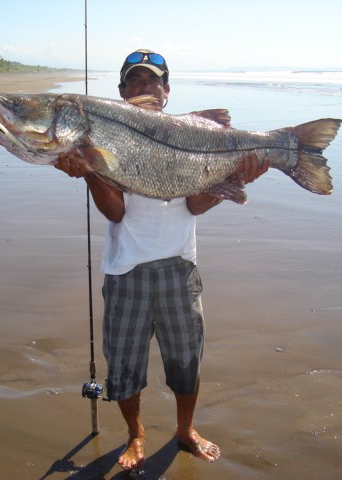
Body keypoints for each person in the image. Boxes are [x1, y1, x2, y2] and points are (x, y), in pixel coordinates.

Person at [55, 49, 268, 471]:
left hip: (179, 266)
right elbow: (115, 212)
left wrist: (236, 176)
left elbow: (195, 205)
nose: (144, 86)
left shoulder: (188, 132)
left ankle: (185, 429)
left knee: (186, 359)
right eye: (135, 80)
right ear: (120, 91)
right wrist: (91, 168)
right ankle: (136, 433)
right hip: (126, 269)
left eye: (152, 80)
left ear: (167, 90)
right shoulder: (103, 135)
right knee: (125, 364)